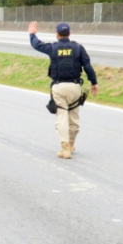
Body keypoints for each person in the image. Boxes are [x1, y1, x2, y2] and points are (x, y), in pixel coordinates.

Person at [28, 21, 98, 158]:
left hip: (59, 87)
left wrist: (32, 34)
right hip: (75, 88)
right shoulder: (78, 48)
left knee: (62, 116)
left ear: (57, 34)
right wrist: (94, 83)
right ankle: (71, 144)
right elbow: (88, 67)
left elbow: (36, 45)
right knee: (73, 117)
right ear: (69, 34)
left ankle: (65, 148)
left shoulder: (53, 48)